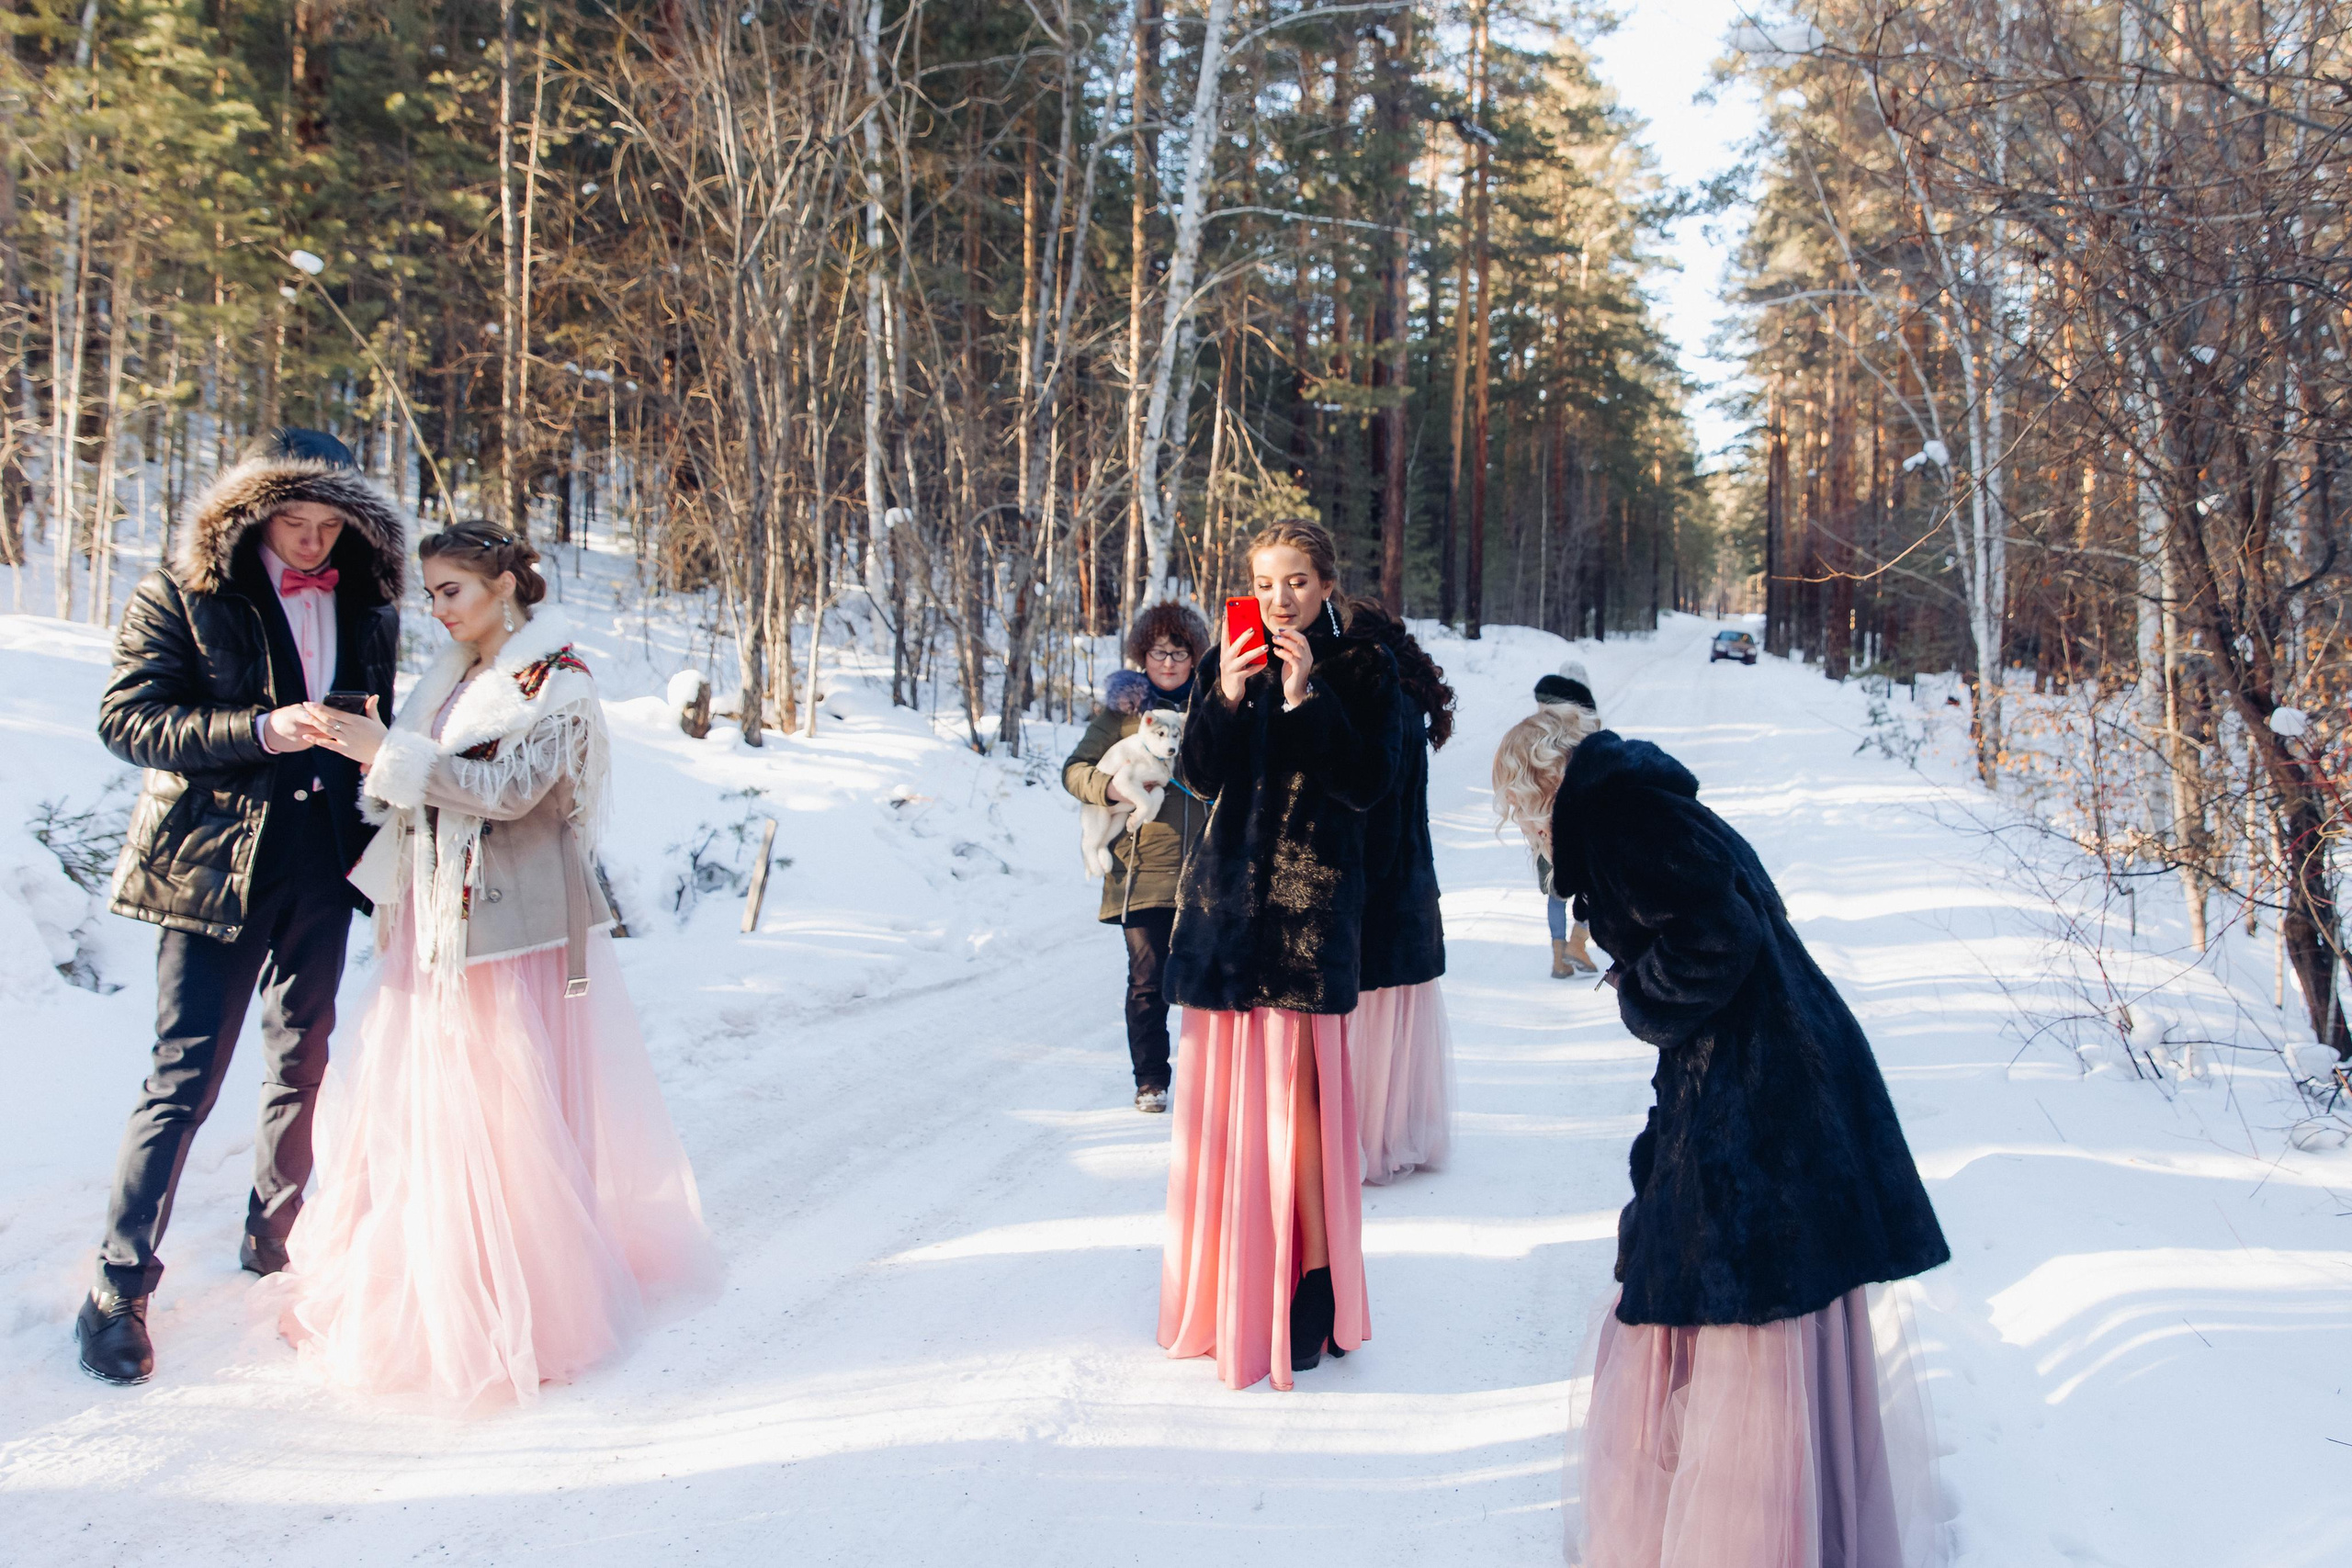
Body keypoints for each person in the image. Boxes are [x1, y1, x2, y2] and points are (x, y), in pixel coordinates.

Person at [1490, 708, 1952, 1568]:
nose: (1528, 826)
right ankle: (1795, 1524)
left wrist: (1641, 995)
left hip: (1756, 1092)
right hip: (1773, 1072)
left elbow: (1718, 934)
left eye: (1521, 806)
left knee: (1736, 1294)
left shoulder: (1616, 817)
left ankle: (1748, 1532)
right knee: (1759, 1290)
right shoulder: (1642, 802)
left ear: (1539, 783)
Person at [279, 521, 718, 1408]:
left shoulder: (557, 679)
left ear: (504, 585)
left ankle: (526, 1298)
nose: (436, 609)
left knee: (500, 1107)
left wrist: (387, 754)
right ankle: (436, 1277)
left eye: (451, 590)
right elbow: (429, 783)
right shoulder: (452, 677)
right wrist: (381, 748)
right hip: (435, 913)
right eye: (430, 593)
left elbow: (508, 793)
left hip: (506, 926)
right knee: (431, 1105)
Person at [79, 429, 409, 1386]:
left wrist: (377, 757)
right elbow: (128, 721)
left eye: (329, 526)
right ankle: (117, 1287)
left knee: (304, 1059)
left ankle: (277, 1240)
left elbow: (380, 729)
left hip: (325, 864)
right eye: (293, 521)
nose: (311, 541)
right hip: (213, 866)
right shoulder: (180, 594)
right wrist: (261, 728)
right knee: (184, 1076)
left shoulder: (368, 606)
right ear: (255, 514)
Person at [1159, 518, 1402, 1390]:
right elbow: (1197, 778)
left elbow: (1369, 783)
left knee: (1298, 1113)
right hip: (1225, 919)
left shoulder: (1362, 667)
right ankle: (1230, 1280)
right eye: (1264, 583)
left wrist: (1306, 699)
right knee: (1225, 1117)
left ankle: (1314, 1278)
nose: (1278, 599)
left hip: (1309, 921)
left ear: (1327, 584)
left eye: (1296, 581)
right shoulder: (1230, 660)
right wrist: (1224, 696)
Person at [1062, 604, 1213, 1113]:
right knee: (1147, 983)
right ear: (1142, 656)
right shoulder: (1122, 715)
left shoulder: (1214, 708)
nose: (1168, 663)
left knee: (1204, 981)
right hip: (1140, 870)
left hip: (1205, 867)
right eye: (1158, 652)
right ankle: (1151, 1081)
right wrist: (1111, 790)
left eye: (1180, 653)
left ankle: (1207, 1082)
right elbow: (1075, 770)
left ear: (1196, 657)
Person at [1343, 601, 1456, 1185]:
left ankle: (1368, 1141)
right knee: (1399, 1023)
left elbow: (1375, 804)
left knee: (1370, 1016)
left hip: (1381, 880)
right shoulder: (1408, 699)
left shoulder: (1377, 700)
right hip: (1413, 880)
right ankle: (1399, 1132)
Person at [1534, 660, 1601, 978]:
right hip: (1581, 816)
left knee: (1555, 890)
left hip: (1544, 818)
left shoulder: (1540, 728)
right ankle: (1577, 943)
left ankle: (1559, 957)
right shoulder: (1589, 726)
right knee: (1592, 884)